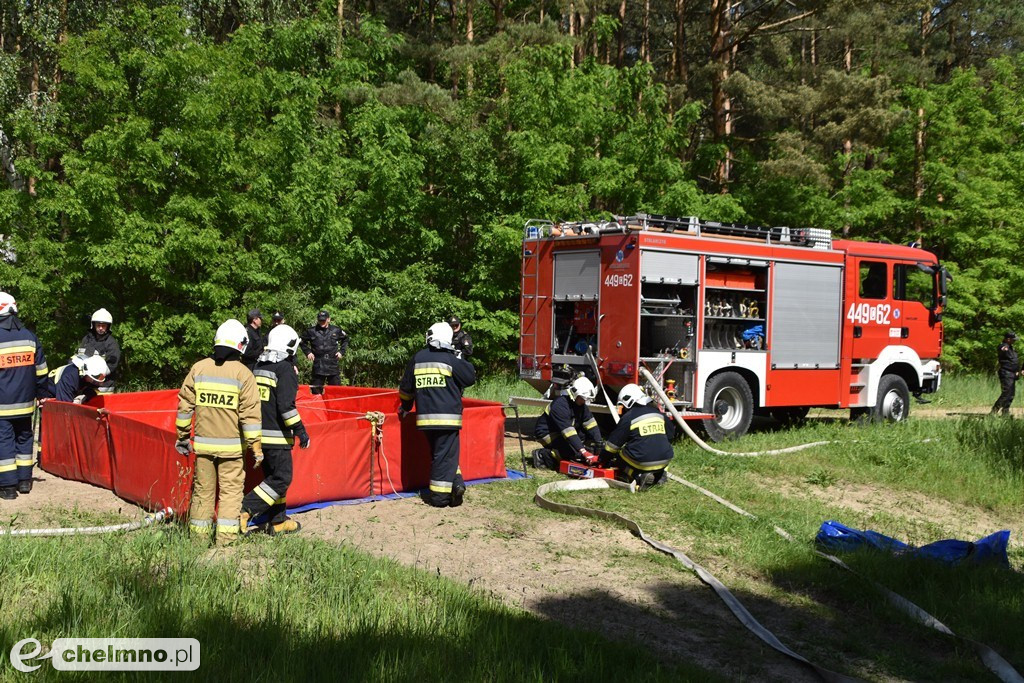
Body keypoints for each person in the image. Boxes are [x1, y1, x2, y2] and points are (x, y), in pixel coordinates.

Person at [176, 319, 262, 545]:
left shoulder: (199, 368)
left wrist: (183, 437)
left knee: (202, 493)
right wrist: (256, 447)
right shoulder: (243, 374)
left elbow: (185, 406)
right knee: (231, 494)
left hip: (203, 448)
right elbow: (250, 416)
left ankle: (197, 541)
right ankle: (225, 542)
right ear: (241, 345)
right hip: (232, 451)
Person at [241, 324, 310, 535]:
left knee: (273, 479)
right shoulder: (285, 370)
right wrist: (301, 431)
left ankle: (278, 522)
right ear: (289, 347)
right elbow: (286, 407)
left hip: (258, 436)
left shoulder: (258, 367)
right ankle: (245, 509)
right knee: (281, 479)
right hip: (277, 437)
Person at [398, 322, 476, 507]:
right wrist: (460, 359)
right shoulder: (450, 360)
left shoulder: (418, 358)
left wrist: (406, 407)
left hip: (425, 420)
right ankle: (440, 498)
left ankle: (456, 483)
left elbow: (405, 390)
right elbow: (470, 377)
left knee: (441, 455)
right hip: (448, 419)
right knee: (445, 455)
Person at [0, 293, 50, 499]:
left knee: (4, 442)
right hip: (26, 403)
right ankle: (24, 482)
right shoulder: (30, 336)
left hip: (2, 404)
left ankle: (7, 487)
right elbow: (42, 371)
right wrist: (42, 394)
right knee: (24, 438)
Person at [599, 384, 675, 490]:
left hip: (643, 462)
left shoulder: (628, 417)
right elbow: (671, 435)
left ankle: (638, 476)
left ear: (628, 401)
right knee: (660, 449)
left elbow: (612, 446)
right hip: (665, 459)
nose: (624, 409)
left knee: (620, 457)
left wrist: (602, 458)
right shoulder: (659, 413)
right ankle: (660, 474)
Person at [532, 376, 603, 469]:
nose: (584, 401)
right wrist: (583, 451)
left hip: (563, 431)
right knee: (573, 453)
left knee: (587, 446)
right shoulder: (560, 405)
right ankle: (542, 455)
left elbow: (591, 424)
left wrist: (599, 443)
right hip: (547, 433)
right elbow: (568, 432)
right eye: (583, 398)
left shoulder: (581, 405)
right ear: (575, 394)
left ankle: (570, 451)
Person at [299, 310, 349, 395]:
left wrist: (341, 352)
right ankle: (318, 407)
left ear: (328, 319)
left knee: (336, 391)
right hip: (318, 364)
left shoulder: (336, 330)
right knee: (316, 391)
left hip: (332, 363)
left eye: (324, 320)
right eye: (320, 320)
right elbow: (300, 341)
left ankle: (333, 407)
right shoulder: (311, 331)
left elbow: (346, 339)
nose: (322, 322)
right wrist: (308, 352)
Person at [76, 308, 120, 394]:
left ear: (108, 326)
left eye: (103, 326)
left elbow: (111, 366)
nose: (100, 328)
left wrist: (95, 377)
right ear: (93, 325)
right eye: (98, 325)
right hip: (85, 385)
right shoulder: (86, 340)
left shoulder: (112, 344)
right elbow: (79, 358)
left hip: (103, 387)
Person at [991, 331, 1020, 416]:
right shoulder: (1003, 346)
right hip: (1006, 373)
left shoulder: (1012, 348)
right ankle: (994, 411)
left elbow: (1014, 361)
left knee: (1011, 394)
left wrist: (1017, 371)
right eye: (1013, 339)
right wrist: (1004, 347)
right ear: (1008, 339)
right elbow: (1002, 349)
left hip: (1013, 373)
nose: (1014, 341)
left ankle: (1005, 412)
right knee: (1006, 392)